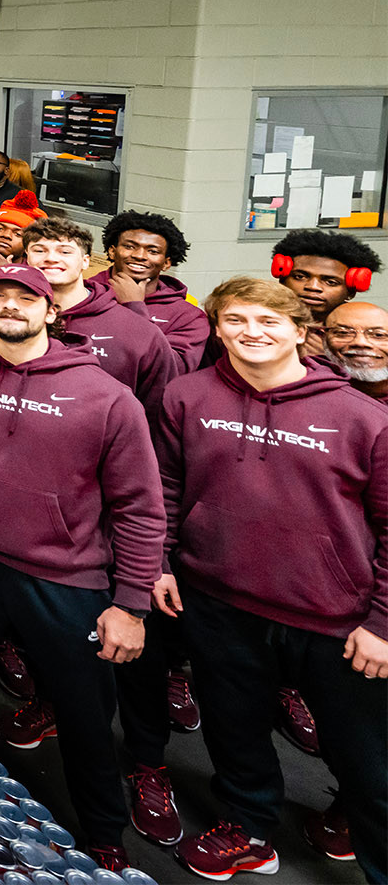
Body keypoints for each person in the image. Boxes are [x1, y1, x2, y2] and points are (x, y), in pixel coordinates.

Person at [0, 263, 166, 873]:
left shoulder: (106, 396)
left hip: (65, 576)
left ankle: (103, 834)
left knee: (82, 714)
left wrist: (129, 605)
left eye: (27, 298)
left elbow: (139, 507)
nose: (11, 306)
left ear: (53, 312)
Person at [155, 277, 388, 883]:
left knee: (368, 763)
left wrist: (383, 623)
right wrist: (160, 561)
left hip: (334, 617)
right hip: (218, 598)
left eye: (268, 321)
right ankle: (251, 828)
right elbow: (167, 489)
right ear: (216, 327)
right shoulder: (186, 396)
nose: (251, 333)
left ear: (300, 332)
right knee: (234, 731)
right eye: (235, 320)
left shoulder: (364, 418)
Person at [23, 219, 177, 420]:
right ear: (26, 258)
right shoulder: (8, 319)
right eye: (40, 250)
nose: (51, 258)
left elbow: (157, 411)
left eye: (65, 252)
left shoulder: (138, 330)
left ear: (86, 261)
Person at [93, 211, 210, 373]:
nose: (139, 256)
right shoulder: (82, 294)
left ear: (166, 263)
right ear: (112, 251)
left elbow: (173, 371)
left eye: (153, 251)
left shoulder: (188, 316)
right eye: (129, 246)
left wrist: (134, 307)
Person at [268, 227, 382, 327]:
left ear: (351, 292)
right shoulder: (259, 319)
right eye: (300, 277)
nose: (313, 287)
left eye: (331, 282)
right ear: (282, 280)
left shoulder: (364, 331)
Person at [324, 301, 388, 402]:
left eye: (378, 335)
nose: (360, 343)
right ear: (323, 338)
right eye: (343, 333)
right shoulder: (310, 388)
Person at [0, 189, 46, 265]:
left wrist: (4, 272)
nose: (6, 235)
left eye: (18, 234)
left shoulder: (35, 272)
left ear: (28, 246)